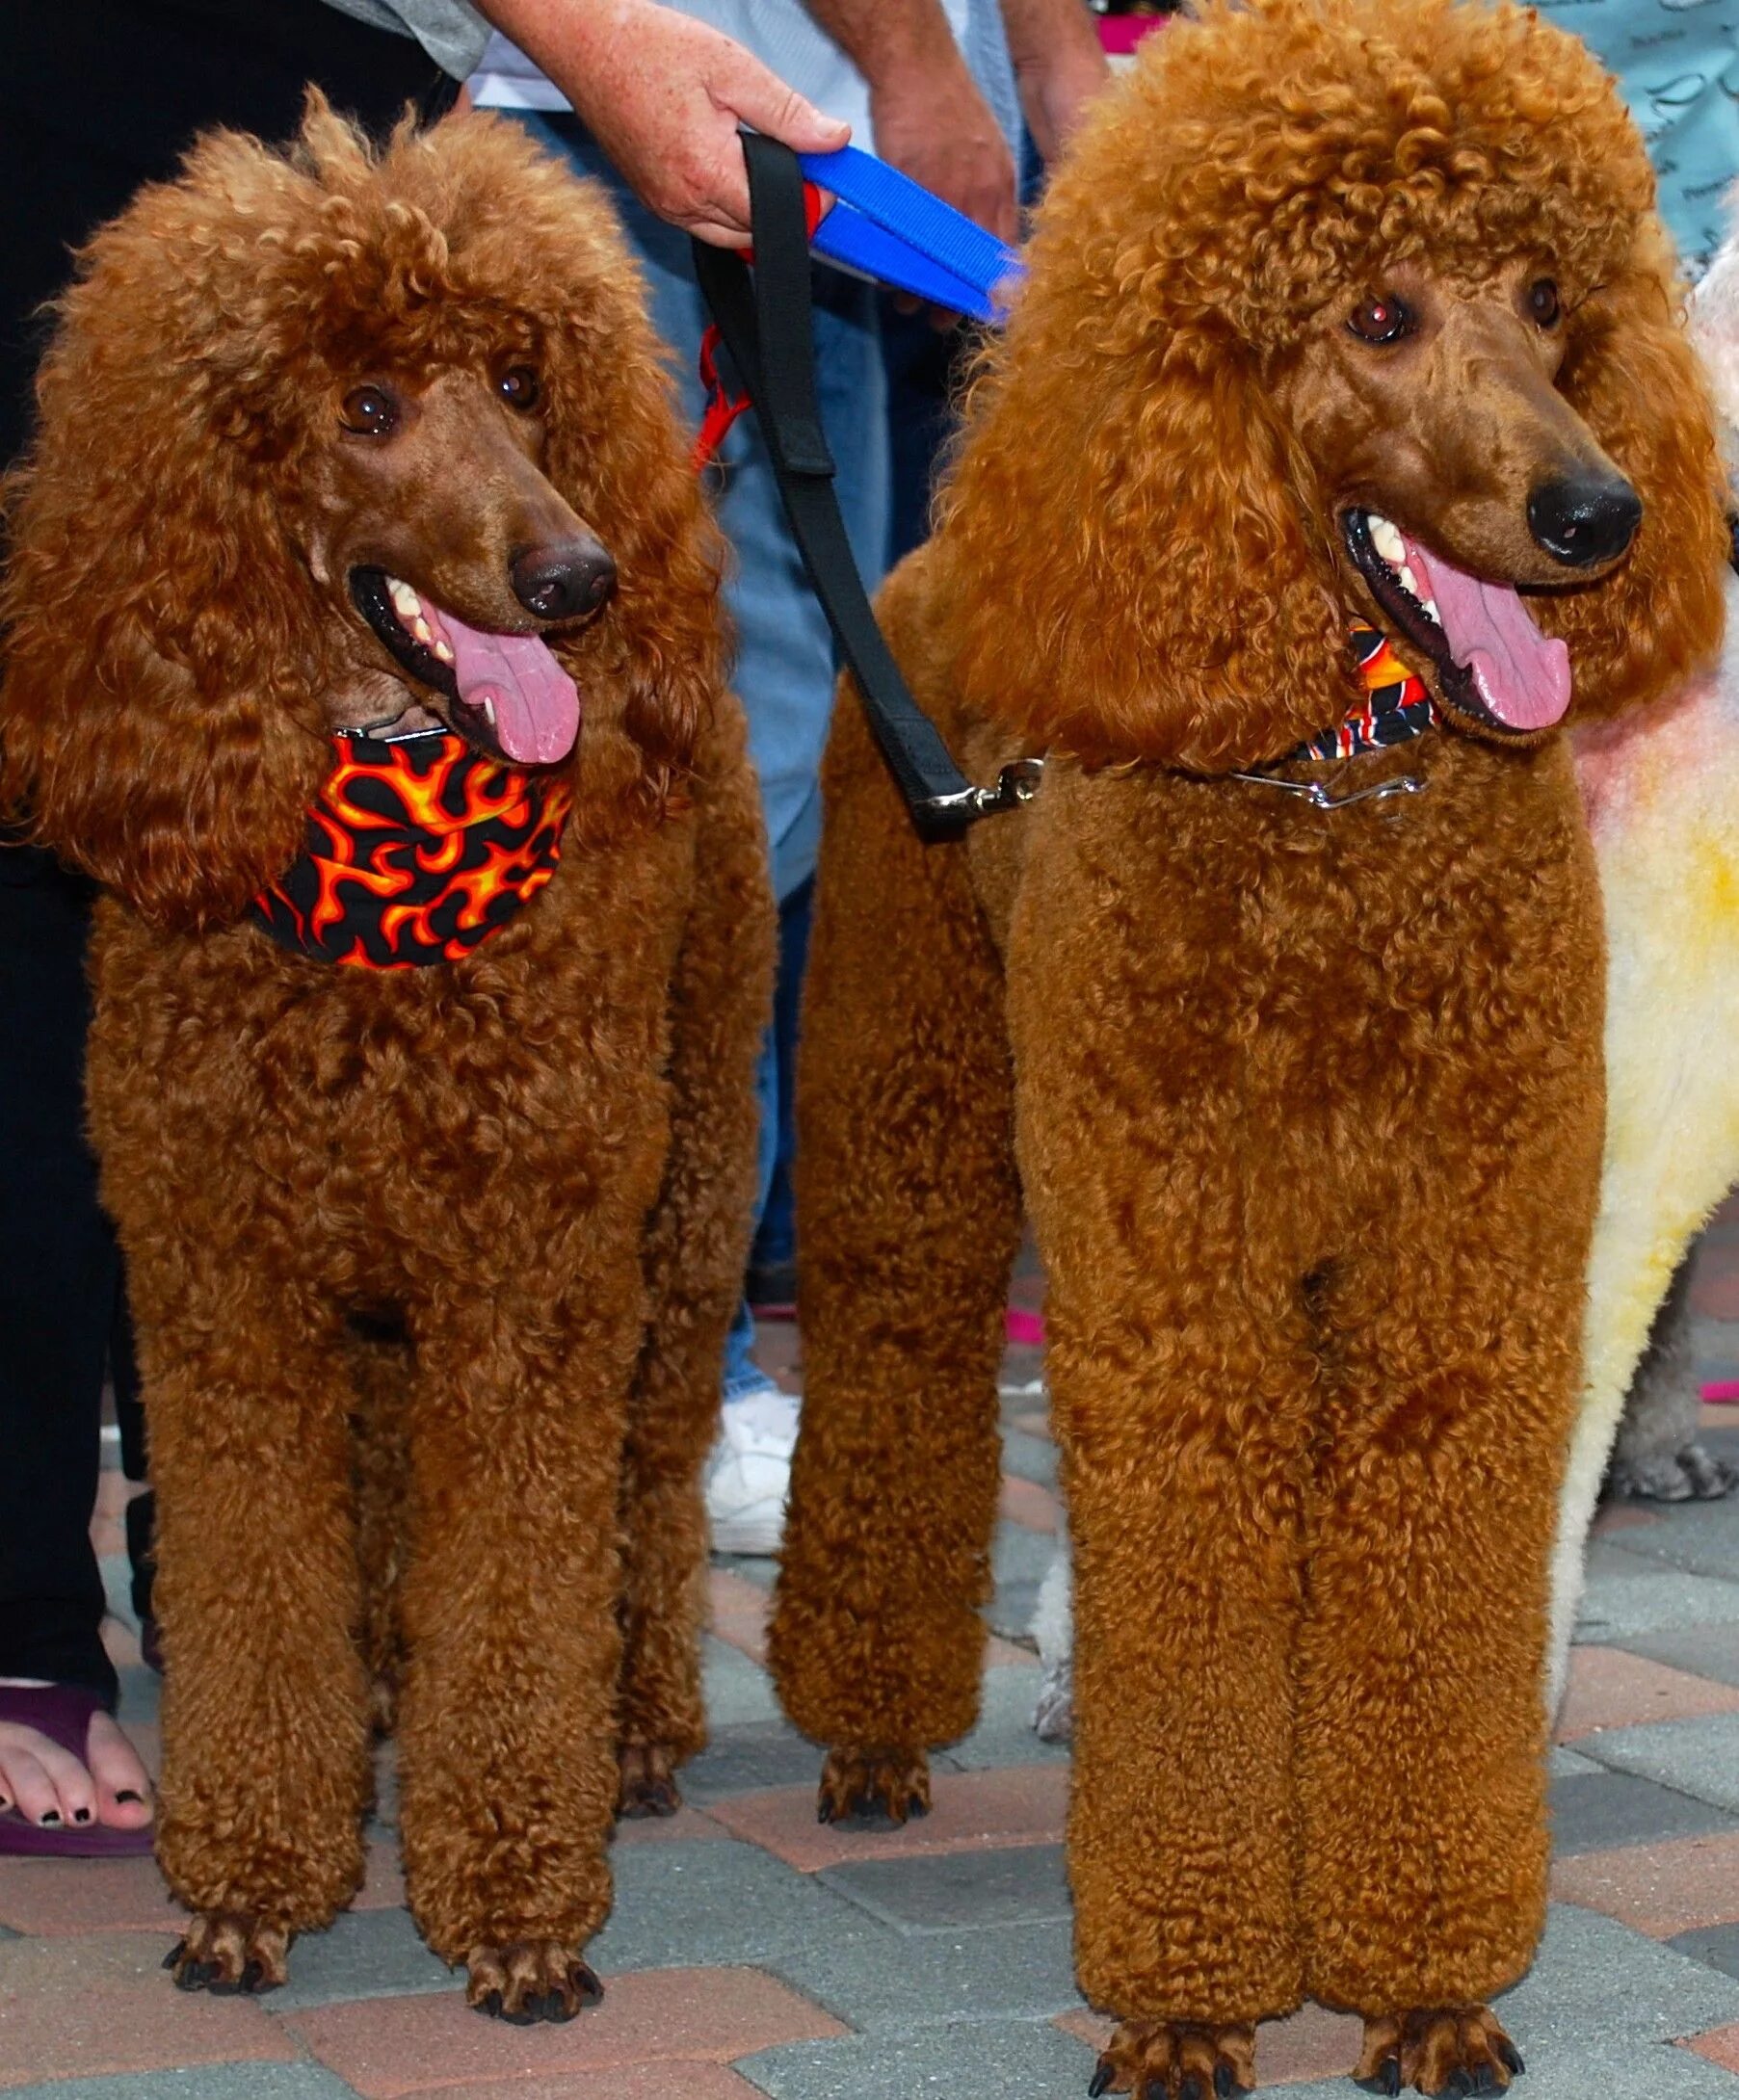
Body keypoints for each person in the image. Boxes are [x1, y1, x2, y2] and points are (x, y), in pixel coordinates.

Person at [0, 0, 863, 1851]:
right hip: (55, 98)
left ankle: (610, 1659)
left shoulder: (566, 613)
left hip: (336, 41)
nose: (532, 516)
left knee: (628, 1280)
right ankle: (116, 1660)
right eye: (384, 418)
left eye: (516, 398)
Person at [471, 0, 1105, 1555]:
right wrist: (917, 64)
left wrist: (1045, 68)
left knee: (816, 743)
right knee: (696, 776)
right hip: (663, 120)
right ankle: (681, 1378)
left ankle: (702, 1342)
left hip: (830, 155)